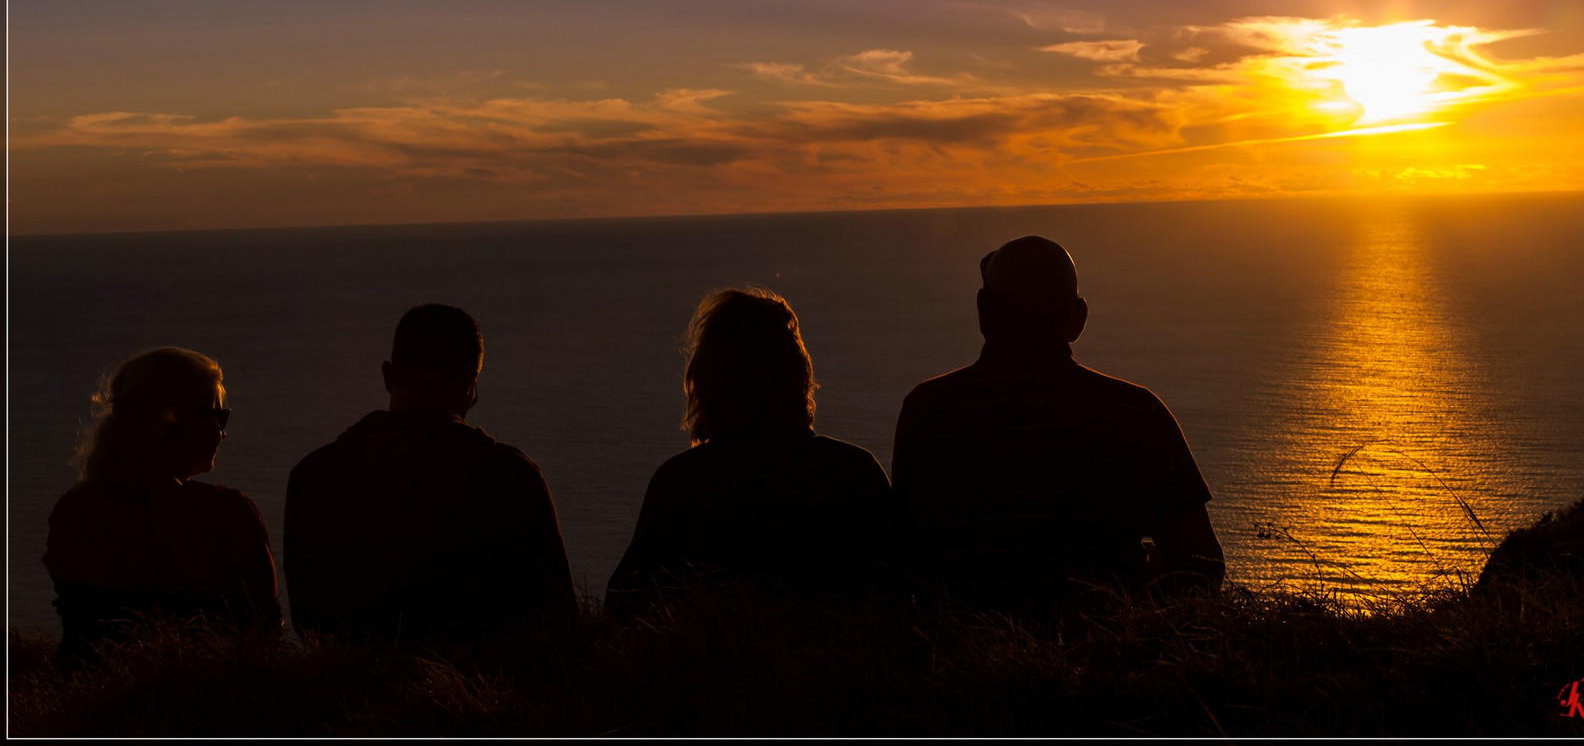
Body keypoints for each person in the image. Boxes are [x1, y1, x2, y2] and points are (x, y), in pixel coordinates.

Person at [891, 236, 1223, 604]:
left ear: (984, 310)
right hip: (1102, 654)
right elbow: (1202, 565)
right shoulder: (1138, 415)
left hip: (952, 653)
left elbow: (901, 555)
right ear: (1077, 319)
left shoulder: (926, 414)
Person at [283, 304, 573, 641]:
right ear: (470, 385)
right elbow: (560, 615)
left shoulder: (313, 477)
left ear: (388, 376)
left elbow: (308, 621)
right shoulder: (515, 478)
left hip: (349, 691)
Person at [607, 288, 893, 607]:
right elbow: (897, 594)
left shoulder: (680, 485)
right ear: (799, 373)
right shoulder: (852, 472)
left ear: (705, 378)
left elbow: (624, 604)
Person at [43, 347, 281, 667]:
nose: (222, 432)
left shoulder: (73, 510)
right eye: (217, 415)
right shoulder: (229, 516)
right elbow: (266, 634)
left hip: (78, 698)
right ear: (173, 421)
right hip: (202, 703)